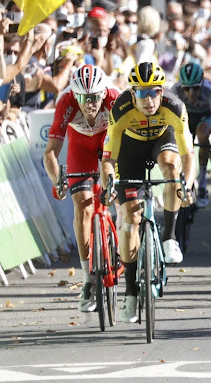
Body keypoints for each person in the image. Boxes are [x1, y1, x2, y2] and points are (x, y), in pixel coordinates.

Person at [101, 62, 195, 323]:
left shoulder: (174, 106)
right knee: (130, 220)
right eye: (142, 93)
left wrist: (189, 181)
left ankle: (169, 237)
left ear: (161, 91)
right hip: (130, 148)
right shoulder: (120, 109)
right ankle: (130, 293)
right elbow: (109, 159)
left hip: (161, 140)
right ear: (133, 94)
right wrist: (109, 183)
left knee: (171, 166)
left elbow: (188, 153)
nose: (149, 98)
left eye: (154, 91)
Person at [44, 65, 120, 312]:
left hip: (110, 142)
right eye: (84, 98)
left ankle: (126, 252)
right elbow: (50, 154)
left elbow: (127, 140)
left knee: (120, 197)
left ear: (103, 93)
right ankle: (87, 279)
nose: (90, 103)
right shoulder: (65, 101)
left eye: (95, 97)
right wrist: (58, 180)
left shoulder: (114, 98)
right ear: (75, 96)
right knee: (84, 207)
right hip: (81, 147)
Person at [171, 61, 211, 208]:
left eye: (195, 88)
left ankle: (203, 184)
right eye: (186, 89)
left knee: (202, 134)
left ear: (202, 83)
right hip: (185, 118)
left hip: (205, 118)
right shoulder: (174, 90)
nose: (191, 93)